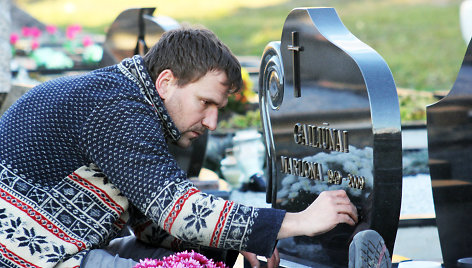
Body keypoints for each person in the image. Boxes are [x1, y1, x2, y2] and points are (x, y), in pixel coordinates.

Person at [0, 27, 358, 268]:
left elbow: (150, 223)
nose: (213, 123)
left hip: (60, 247)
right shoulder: (116, 108)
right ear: (166, 81)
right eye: (205, 103)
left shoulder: (127, 97)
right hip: (29, 256)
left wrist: (233, 240)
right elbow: (179, 210)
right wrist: (297, 221)